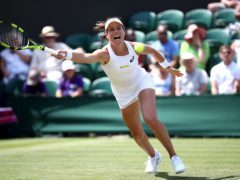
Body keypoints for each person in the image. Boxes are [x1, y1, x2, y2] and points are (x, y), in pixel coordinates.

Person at [55, 17, 185, 174]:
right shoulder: (104, 54)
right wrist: (66, 55)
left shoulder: (134, 47)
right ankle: (153, 156)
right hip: (123, 93)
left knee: (150, 118)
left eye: (119, 28)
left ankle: (174, 157)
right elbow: (85, 57)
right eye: (111, 29)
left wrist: (167, 67)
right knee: (136, 133)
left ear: (123, 31)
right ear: (107, 35)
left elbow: (152, 50)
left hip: (141, 82)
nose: (116, 31)